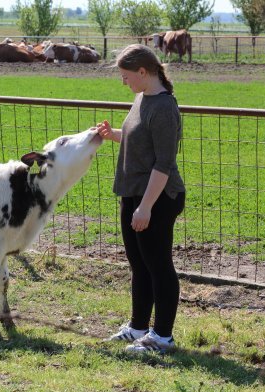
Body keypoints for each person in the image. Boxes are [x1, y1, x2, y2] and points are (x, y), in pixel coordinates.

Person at [96, 44, 185, 354]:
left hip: (158, 198)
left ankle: (162, 338)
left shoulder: (163, 108)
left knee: (159, 266)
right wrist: (114, 135)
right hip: (134, 194)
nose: (124, 82)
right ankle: (137, 328)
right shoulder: (142, 99)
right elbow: (138, 137)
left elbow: (163, 164)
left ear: (144, 72)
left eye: (126, 75)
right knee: (139, 265)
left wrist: (146, 207)